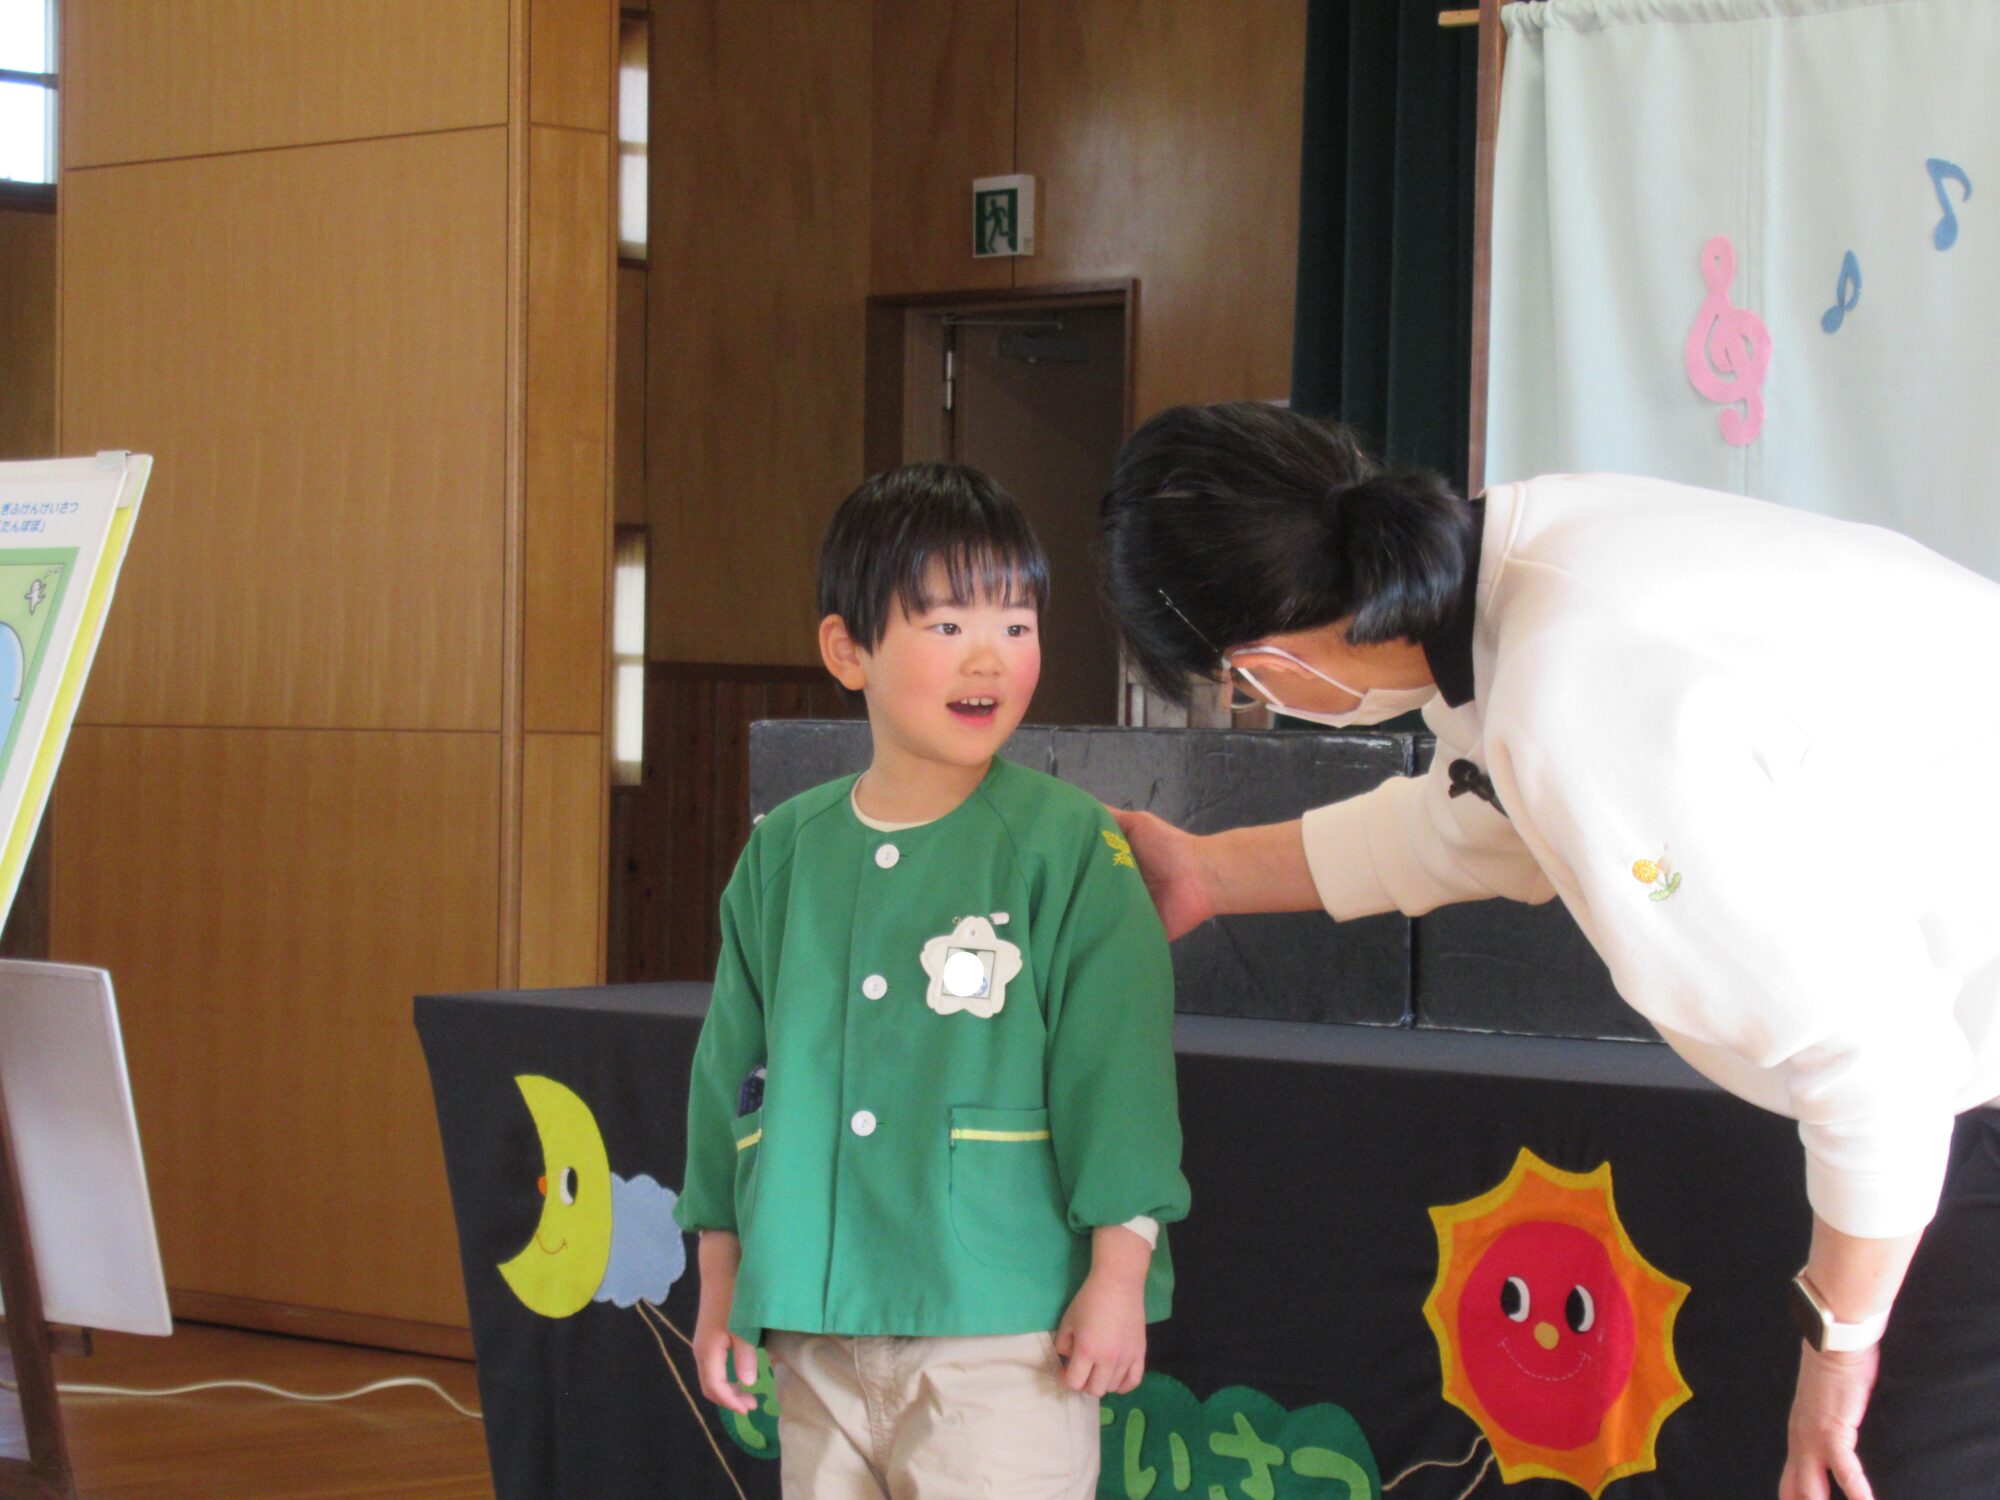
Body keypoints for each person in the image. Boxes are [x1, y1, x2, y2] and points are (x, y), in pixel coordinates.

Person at [1096, 401, 2000, 1500]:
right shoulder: (1530, 567)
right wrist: (1207, 872)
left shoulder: (1569, 689)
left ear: (1261, 662)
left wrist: (1836, 1360)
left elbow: (1873, 1070)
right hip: (1947, 1062)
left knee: (1884, 1462)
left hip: (1945, 1073)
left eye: (1232, 690)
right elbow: (1472, 822)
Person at [675, 463, 1189, 1500]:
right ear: (846, 650)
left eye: (1017, 623)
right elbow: (729, 1074)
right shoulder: (784, 851)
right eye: (947, 624)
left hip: (1004, 1332)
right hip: (816, 1323)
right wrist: (724, 1279)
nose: (989, 656)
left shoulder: (1070, 847)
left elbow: (1120, 1076)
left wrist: (1119, 1273)